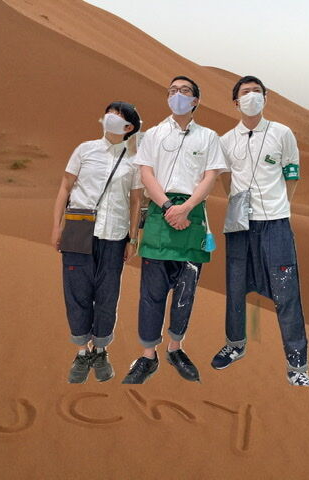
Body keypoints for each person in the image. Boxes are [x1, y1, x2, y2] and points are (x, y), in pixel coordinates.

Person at [211, 76, 309, 387]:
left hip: (275, 222)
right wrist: (237, 203)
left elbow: (292, 172)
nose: (252, 97)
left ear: (265, 98)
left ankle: (298, 366)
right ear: (236, 102)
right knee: (235, 287)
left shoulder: (282, 133)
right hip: (239, 222)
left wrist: (280, 205)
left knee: (286, 292)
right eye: (245, 93)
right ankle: (235, 344)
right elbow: (225, 177)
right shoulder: (225, 140)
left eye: (257, 92)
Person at [122, 76, 226, 384]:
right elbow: (146, 173)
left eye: (184, 91)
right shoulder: (154, 134)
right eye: (172, 91)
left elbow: (210, 177)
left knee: (185, 291)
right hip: (160, 213)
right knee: (151, 292)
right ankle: (148, 355)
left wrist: (186, 208)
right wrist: (169, 207)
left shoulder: (208, 137)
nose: (177, 95)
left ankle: (176, 348)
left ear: (195, 100)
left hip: (192, 216)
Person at [52, 101, 142, 383]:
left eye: (118, 115)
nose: (110, 117)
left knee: (107, 295)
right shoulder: (84, 149)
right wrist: (56, 226)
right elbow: (65, 187)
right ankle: (82, 353)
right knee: (76, 292)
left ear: (129, 127)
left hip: (115, 235)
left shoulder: (133, 161)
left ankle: (100, 350)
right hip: (79, 230)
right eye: (109, 113)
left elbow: (136, 201)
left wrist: (133, 238)